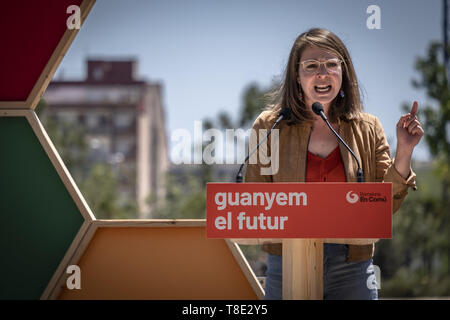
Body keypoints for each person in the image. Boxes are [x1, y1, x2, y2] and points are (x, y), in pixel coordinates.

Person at [244, 28, 423, 300]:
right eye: (312, 66)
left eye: (330, 64)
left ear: (344, 71)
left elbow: (385, 207)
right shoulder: (269, 126)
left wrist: (405, 151)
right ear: (297, 75)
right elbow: (255, 200)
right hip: (287, 262)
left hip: (352, 265)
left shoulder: (368, 128)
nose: (322, 73)